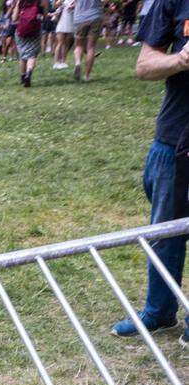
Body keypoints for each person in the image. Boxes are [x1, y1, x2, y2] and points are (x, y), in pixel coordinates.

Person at [112, 0, 189, 345]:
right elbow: (144, 65)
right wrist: (180, 59)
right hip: (174, 140)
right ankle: (159, 311)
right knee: (164, 233)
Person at [12, 0, 47, 86]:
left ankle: (23, 77)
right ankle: (29, 73)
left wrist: (17, 5)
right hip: (35, 31)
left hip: (21, 31)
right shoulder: (41, 1)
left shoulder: (21, 2)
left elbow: (14, 18)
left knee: (22, 54)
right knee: (32, 55)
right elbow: (44, 16)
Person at [72, 0, 103, 81]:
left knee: (79, 46)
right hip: (95, 16)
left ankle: (78, 63)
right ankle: (87, 76)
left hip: (80, 17)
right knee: (91, 47)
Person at [52, 0, 76, 68]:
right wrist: (59, 3)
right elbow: (55, 6)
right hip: (62, 23)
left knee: (66, 44)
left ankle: (63, 61)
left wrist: (73, 6)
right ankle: (56, 62)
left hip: (70, 23)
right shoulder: (62, 1)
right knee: (60, 43)